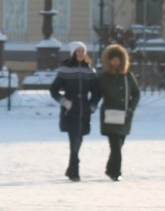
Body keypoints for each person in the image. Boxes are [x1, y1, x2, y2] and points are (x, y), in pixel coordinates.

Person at [49, 42, 100, 181]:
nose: (80, 53)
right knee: (74, 140)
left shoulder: (89, 70)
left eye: (82, 51)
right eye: (77, 51)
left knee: (79, 139)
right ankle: (75, 171)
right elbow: (53, 90)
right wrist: (64, 102)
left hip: (84, 109)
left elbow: (97, 91)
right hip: (70, 109)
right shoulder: (65, 69)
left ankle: (71, 169)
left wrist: (93, 104)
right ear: (72, 53)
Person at [95, 43, 141, 180]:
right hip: (109, 115)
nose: (115, 62)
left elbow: (136, 93)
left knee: (119, 145)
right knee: (115, 146)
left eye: (118, 59)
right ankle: (116, 173)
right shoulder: (103, 76)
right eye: (113, 59)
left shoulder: (127, 76)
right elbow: (96, 93)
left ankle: (110, 169)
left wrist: (131, 107)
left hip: (125, 116)